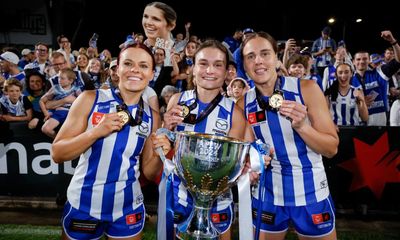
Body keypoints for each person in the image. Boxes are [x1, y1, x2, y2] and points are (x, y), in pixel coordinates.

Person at [52, 43, 162, 240]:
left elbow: (149, 172)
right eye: (128, 63)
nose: (135, 70)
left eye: (144, 66)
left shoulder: (153, 116)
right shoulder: (89, 99)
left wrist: (163, 151)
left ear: (152, 74)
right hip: (84, 202)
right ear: (117, 69)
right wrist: (95, 133)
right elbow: (58, 153)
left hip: (128, 205)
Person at [238, 31, 339, 239]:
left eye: (265, 53)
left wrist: (302, 127)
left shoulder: (307, 89)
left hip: (311, 192)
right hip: (267, 194)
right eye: (250, 56)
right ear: (245, 66)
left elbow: (331, 148)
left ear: (276, 57)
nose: (258, 61)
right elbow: (246, 152)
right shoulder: (242, 104)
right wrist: (250, 162)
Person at [156, 40, 249, 239]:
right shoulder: (177, 100)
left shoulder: (235, 113)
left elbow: (230, 166)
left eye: (218, 65)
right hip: (179, 195)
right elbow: (164, 146)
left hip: (218, 201)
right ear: (193, 68)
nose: (210, 70)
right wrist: (166, 127)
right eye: (203, 63)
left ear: (226, 73)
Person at [351, 30, 400, 126]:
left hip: (378, 120)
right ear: (353, 61)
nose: (361, 61)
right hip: (356, 120)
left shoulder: (380, 72)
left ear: (369, 60)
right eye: (358, 59)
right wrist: (360, 102)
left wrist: (393, 41)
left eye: (365, 59)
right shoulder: (347, 79)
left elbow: (398, 61)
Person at [40, 68, 82, 138]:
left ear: (70, 81)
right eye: (58, 77)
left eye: (62, 78)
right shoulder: (55, 88)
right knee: (46, 129)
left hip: (71, 114)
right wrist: (46, 113)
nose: (59, 80)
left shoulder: (76, 89)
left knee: (74, 132)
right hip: (58, 113)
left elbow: (82, 101)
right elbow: (41, 100)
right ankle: (58, 140)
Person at [142, 1, 177, 66]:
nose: (148, 22)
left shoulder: (175, 51)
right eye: (145, 16)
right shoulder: (141, 47)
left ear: (171, 26)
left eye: (156, 19)